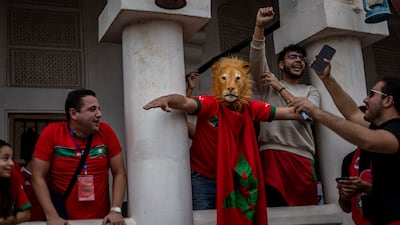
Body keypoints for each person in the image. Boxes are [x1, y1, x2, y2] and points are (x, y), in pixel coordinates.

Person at [144, 56, 301, 225]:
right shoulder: (210, 104)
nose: (231, 86)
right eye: (224, 79)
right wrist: (168, 98)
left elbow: (294, 113)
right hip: (203, 178)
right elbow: (184, 102)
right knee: (204, 221)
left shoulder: (251, 107)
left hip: (235, 179)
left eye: (237, 79)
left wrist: (285, 92)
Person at [290, 57, 400, 225]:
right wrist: (327, 78)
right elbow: (353, 114)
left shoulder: (396, 130)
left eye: (372, 94)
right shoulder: (380, 128)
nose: (365, 100)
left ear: (388, 100)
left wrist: (316, 113)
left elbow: (367, 141)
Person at [249, 6, 321, 206]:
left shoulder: (310, 91)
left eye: (301, 58)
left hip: (303, 157)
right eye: (292, 57)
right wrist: (259, 27)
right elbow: (257, 60)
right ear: (281, 64)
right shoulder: (267, 87)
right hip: (272, 154)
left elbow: (308, 115)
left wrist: (279, 87)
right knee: (275, 211)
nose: (298, 61)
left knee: (307, 214)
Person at [31, 89, 127, 225]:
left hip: (101, 221)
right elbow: (37, 176)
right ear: (74, 113)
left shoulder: (106, 132)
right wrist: (52, 216)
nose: (99, 114)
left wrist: (116, 210)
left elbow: (119, 173)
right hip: (63, 221)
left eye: (99, 109)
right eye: (92, 109)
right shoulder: (52, 133)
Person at [0, 139, 31, 224]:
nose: (11, 163)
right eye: (5, 158)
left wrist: (5, 221)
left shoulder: (13, 177)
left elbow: (26, 214)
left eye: (11, 158)